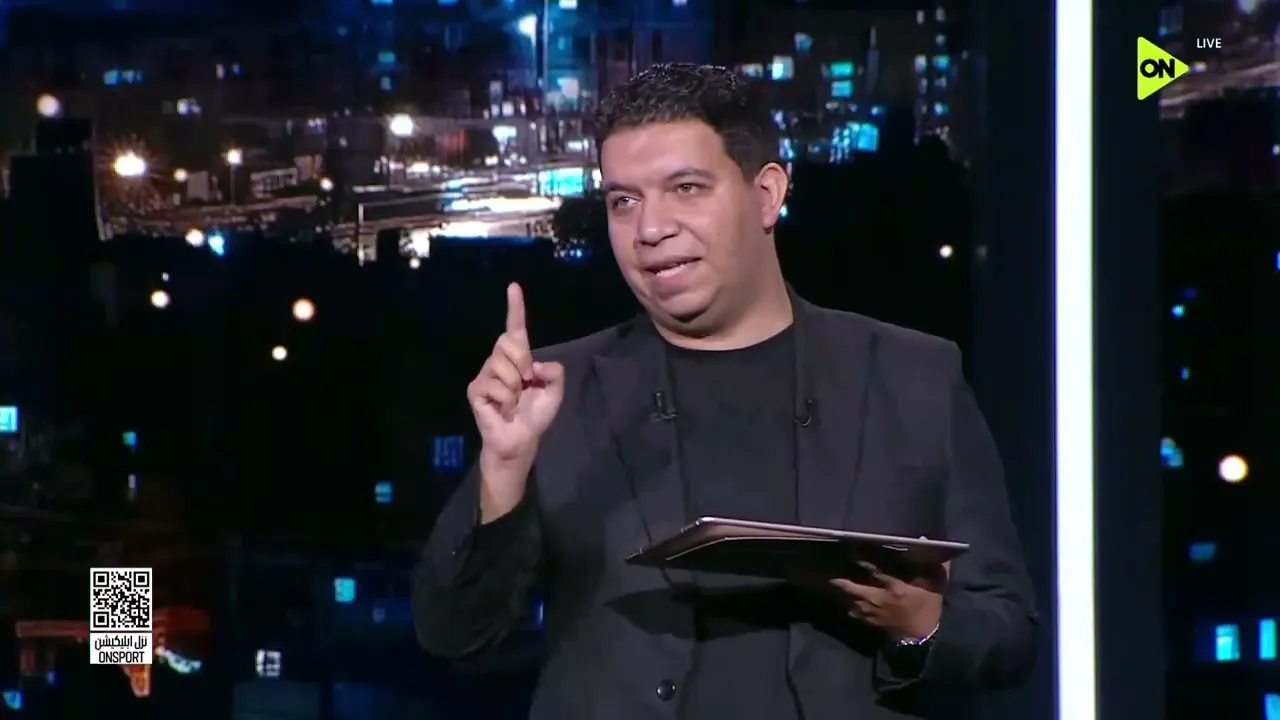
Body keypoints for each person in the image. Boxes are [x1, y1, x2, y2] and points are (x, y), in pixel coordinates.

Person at [413, 63, 1038, 719]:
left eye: (685, 188)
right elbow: (452, 633)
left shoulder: (913, 377)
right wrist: (504, 470)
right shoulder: (552, 393)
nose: (650, 229)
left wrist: (919, 625)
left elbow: (1007, 630)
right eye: (624, 201)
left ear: (767, 194)